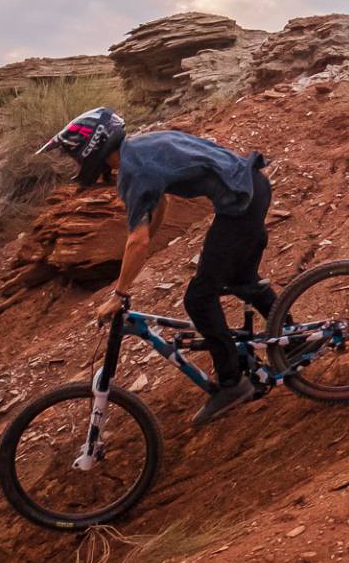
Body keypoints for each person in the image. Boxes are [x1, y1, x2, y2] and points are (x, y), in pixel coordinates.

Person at [37, 107, 275, 425]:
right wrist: (150, 235)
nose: (77, 163)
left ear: (92, 146)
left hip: (240, 204)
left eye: (75, 155)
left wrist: (120, 293)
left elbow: (137, 239)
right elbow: (159, 202)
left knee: (198, 299)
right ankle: (291, 337)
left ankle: (232, 384)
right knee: (240, 277)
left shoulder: (133, 171)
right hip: (253, 188)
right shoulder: (141, 147)